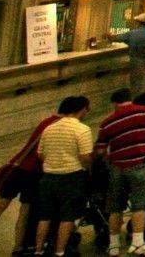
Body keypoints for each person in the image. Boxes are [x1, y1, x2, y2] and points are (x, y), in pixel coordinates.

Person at [98, 86, 145, 256]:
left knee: (115, 208)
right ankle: (137, 243)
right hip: (140, 165)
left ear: (115, 103)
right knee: (139, 205)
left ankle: (113, 245)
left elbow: (100, 151)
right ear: (130, 98)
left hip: (117, 168)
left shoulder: (107, 122)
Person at [0, 100, 66, 256]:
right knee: (25, 211)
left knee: (0, 206)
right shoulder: (60, 126)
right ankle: (17, 247)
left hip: (19, 167)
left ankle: (18, 247)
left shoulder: (46, 122)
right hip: (34, 173)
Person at [32, 96, 94, 257]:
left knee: (45, 216)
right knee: (67, 217)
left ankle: (38, 250)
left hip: (48, 178)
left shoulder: (49, 128)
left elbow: (40, 154)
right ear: (81, 109)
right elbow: (85, 157)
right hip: (71, 178)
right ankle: (60, 251)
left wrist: (54, 163)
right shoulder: (82, 129)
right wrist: (88, 168)